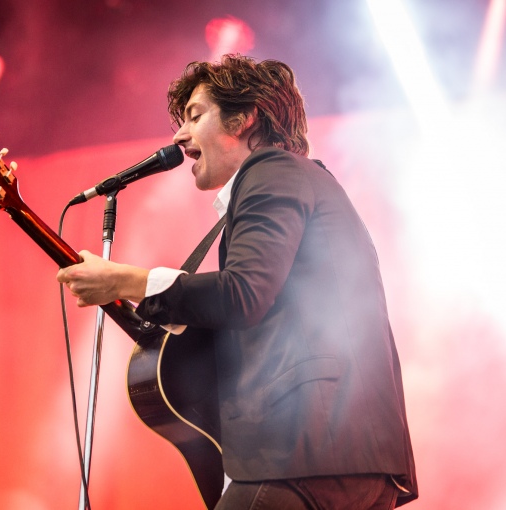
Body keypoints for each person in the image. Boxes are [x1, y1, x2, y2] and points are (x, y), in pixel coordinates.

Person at [56, 54, 417, 509]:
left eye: (195, 115)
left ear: (245, 118)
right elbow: (261, 307)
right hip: (334, 454)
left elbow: (243, 294)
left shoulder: (272, 172)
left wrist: (128, 281)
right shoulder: (291, 180)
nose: (178, 135)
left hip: (307, 451)